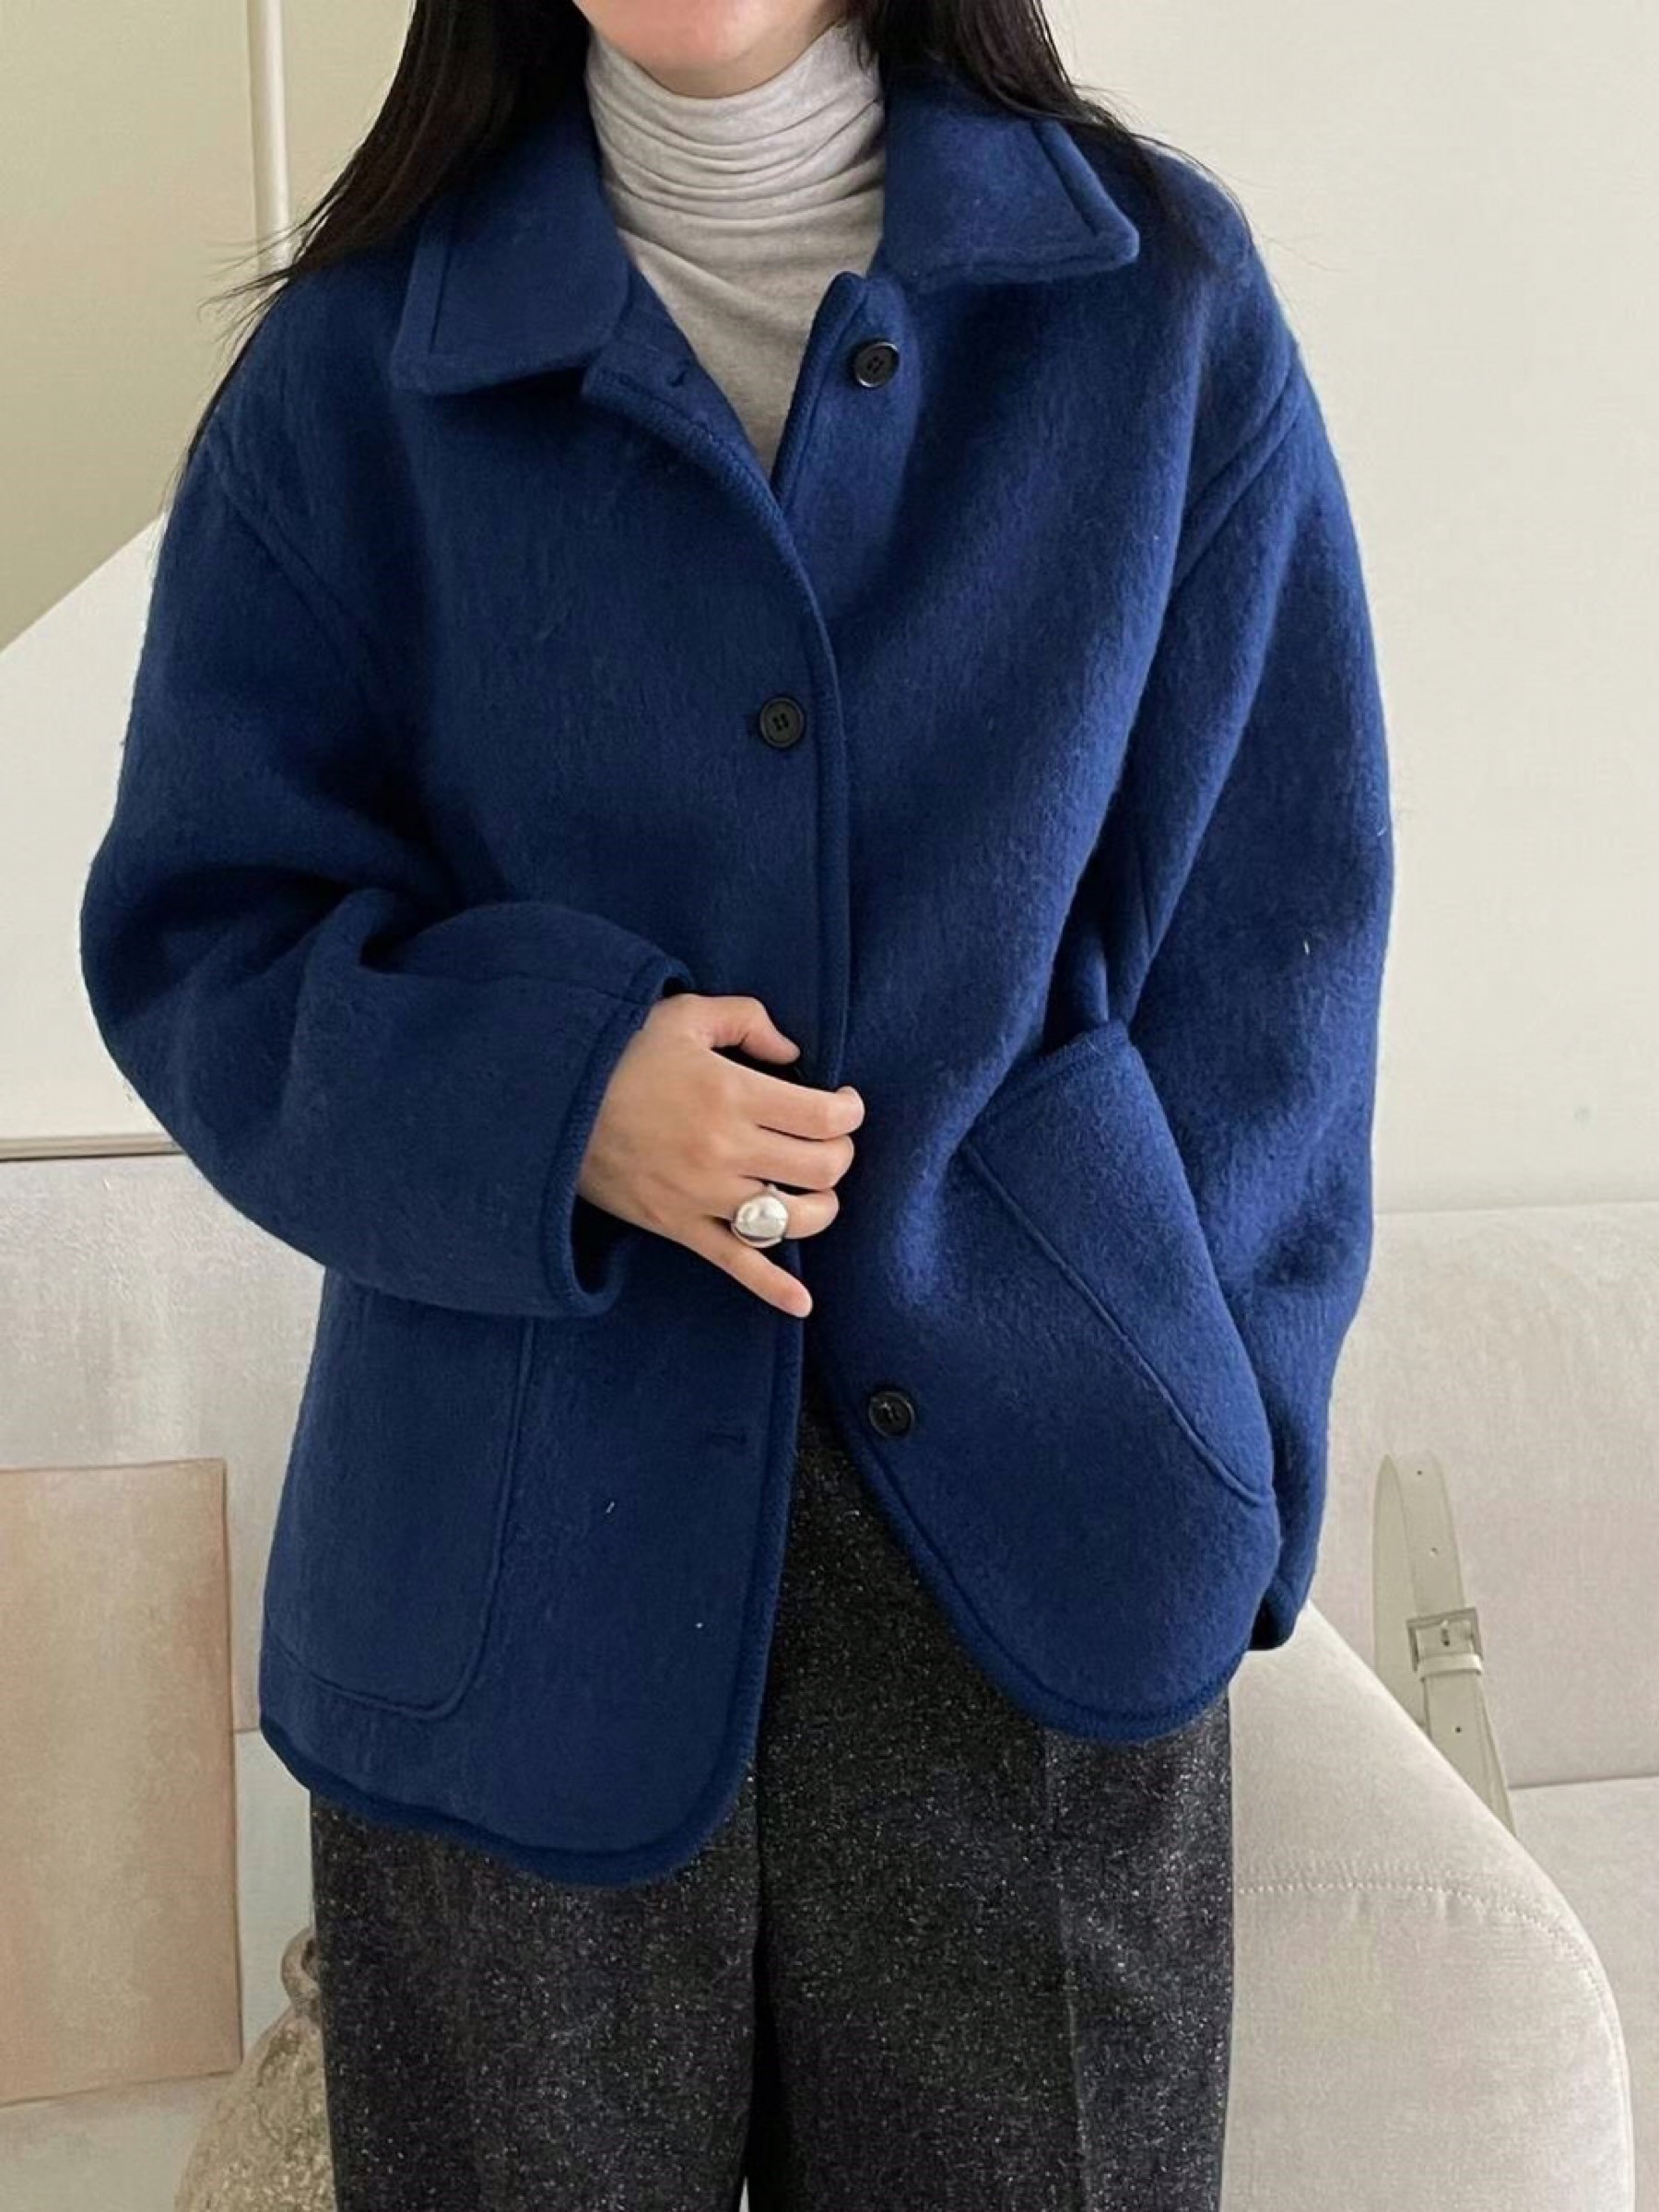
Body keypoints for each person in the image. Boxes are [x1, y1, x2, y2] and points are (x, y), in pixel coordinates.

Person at [77, 2, 1394, 2205]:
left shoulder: (1154, 309)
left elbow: (1280, 941)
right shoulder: (358, 364)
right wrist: (554, 1096)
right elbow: (203, 936)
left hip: (1032, 1561)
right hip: (508, 1578)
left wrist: (1220, 1467)